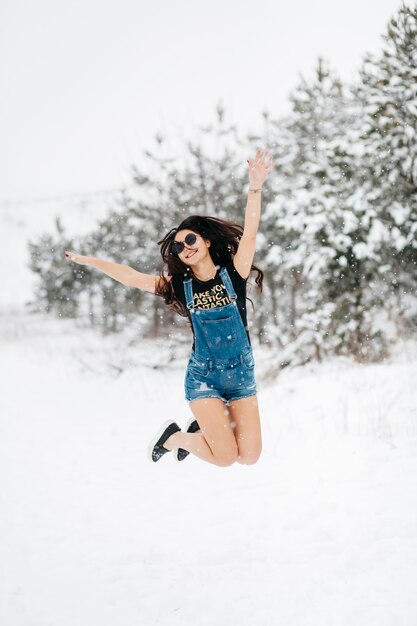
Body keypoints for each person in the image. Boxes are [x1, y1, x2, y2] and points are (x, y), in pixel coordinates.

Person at [65, 148, 275, 467]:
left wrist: (255, 186)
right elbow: (131, 277)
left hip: (241, 372)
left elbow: (251, 229)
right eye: (178, 246)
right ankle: (175, 437)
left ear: (205, 241)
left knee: (249, 456)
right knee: (225, 457)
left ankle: (197, 431)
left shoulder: (234, 273)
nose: (184, 248)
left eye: (189, 240)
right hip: (204, 375)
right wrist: (88, 261)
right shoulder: (180, 285)